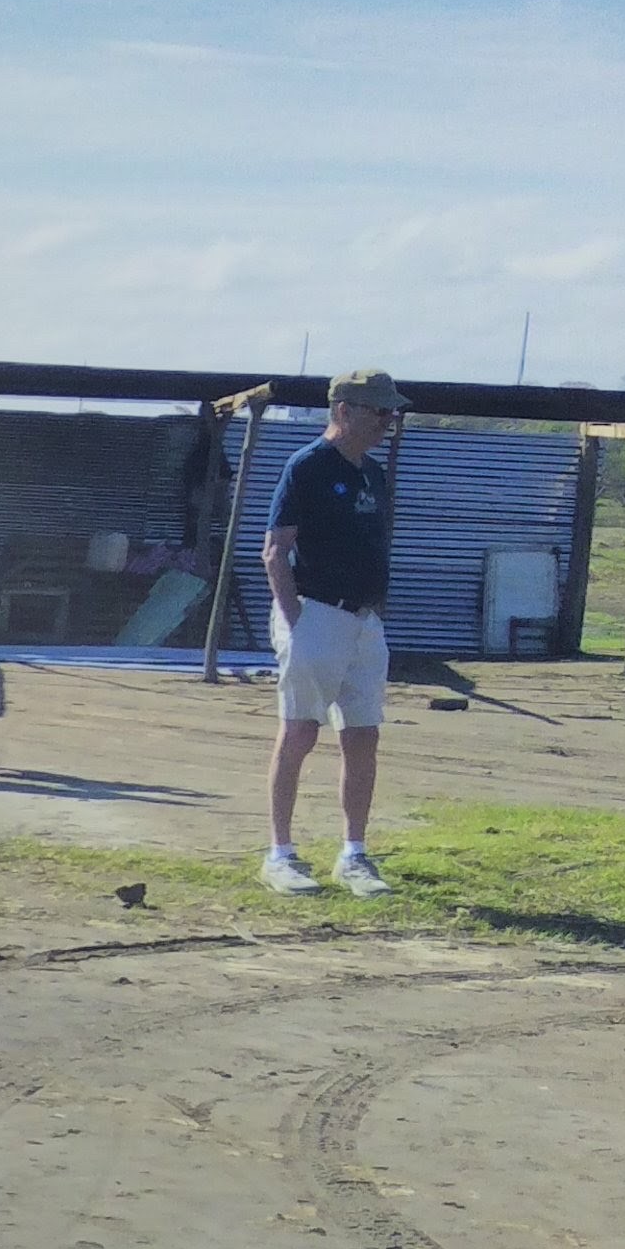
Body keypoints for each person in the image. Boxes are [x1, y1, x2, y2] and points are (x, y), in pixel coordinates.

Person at [262, 371, 403, 895]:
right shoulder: (307, 467)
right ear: (344, 410)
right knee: (300, 730)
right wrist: (294, 619)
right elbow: (275, 550)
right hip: (316, 614)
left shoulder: (373, 474)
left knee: (363, 735)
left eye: (391, 413)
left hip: (364, 621)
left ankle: (354, 855)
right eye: (379, 412)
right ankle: (280, 854)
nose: (388, 421)